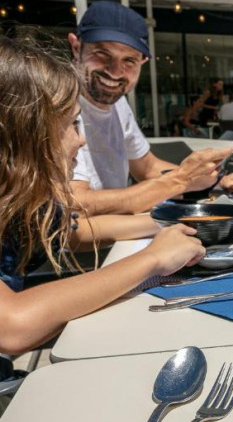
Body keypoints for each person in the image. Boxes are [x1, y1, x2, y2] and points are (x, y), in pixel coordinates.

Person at [0, 36, 205, 358]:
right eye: (71, 124)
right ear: (23, 131)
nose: (81, 140)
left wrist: (171, 222)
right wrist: (152, 259)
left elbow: (73, 231)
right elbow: (12, 326)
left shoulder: (17, 197)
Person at [67, 1, 233, 215]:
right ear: (76, 47)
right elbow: (76, 205)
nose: (115, 72)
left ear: (142, 62)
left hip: (123, 229)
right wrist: (180, 180)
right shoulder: (58, 104)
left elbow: (147, 168)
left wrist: (214, 181)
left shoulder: (117, 103)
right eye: (102, 54)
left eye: (129, 60)